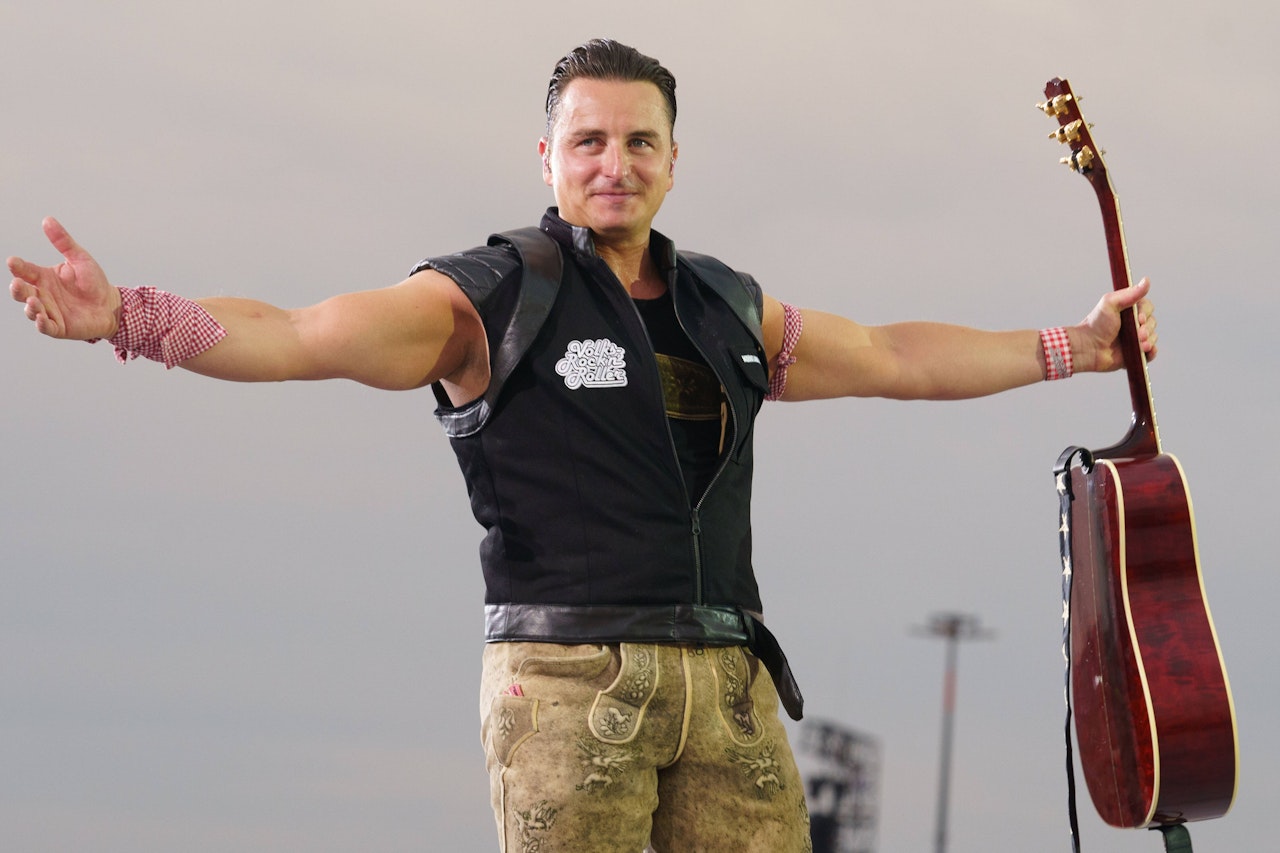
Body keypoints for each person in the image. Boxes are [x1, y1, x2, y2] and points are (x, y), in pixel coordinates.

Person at [8, 38, 1155, 853]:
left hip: (727, 678)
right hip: (563, 676)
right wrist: (129, 317)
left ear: (673, 158)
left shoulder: (722, 305)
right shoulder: (489, 297)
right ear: (547, 158)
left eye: (639, 141)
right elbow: (303, 333)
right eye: (589, 140)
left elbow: (893, 356)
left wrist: (1075, 346)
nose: (616, 162)